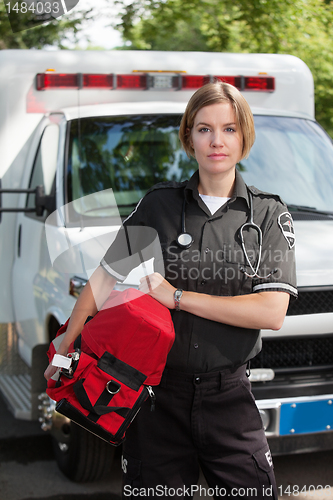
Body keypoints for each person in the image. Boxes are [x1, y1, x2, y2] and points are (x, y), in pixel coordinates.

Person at [45, 80, 297, 499]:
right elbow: (104, 278)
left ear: (244, 136)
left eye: (230, 129)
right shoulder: (159, 205)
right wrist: (66, 345)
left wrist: (177, 297)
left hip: (229, 399)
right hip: (157, 398)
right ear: (189, 138)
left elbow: (271, 312)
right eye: (204, 129)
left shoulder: (269, 215)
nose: (217, 140)